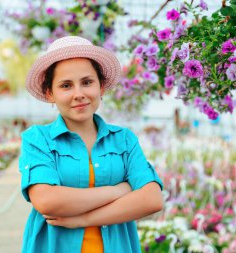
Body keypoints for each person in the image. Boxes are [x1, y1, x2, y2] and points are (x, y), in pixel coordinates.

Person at [19, 36, 163, 253]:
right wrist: (119, 190)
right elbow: (47, 200)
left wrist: (82, 219)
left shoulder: (124, 140)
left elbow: (152, 199)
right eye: (66, 85)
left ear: (101, 86)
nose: (79, 94)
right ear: (50, 93)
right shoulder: (38, 139)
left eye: (87, 82)